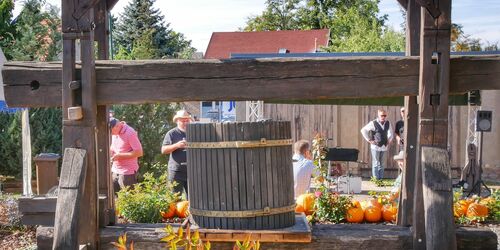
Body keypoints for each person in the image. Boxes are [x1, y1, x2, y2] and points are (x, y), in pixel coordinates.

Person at [161, 110, 193, 197]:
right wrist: (177, 145)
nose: (185, 122)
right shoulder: (171, 133)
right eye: (183, 121)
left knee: (193, 199)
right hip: (176, 171)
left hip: (192, 171)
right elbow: (163, 150)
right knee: (174, 198)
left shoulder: (194, 132)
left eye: (187, 120)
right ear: (177, 121)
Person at [109, 118, 143, 193]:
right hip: (115, 170)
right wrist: (110, 152)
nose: (111, 134)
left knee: (129, 198)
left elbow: (139, 152)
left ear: (117, 126)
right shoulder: (115, 132)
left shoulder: (130, 133)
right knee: (114, 198)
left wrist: (120, 156)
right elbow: (113, 147)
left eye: (111, 132)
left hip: (127, 172)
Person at [360, 109, 393, 179]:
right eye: (382, 115)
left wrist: (389, 140)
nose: (383, 117)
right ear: (378, 115)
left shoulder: (388, 123)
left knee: (382, 164)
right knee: (376, 163)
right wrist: (369, 140)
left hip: (384, 146)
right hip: (375, 146)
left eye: (385, 115)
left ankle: (380, 179)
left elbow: (391, 133)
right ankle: (376, 179)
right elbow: (363, 130)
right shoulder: (373, 123)